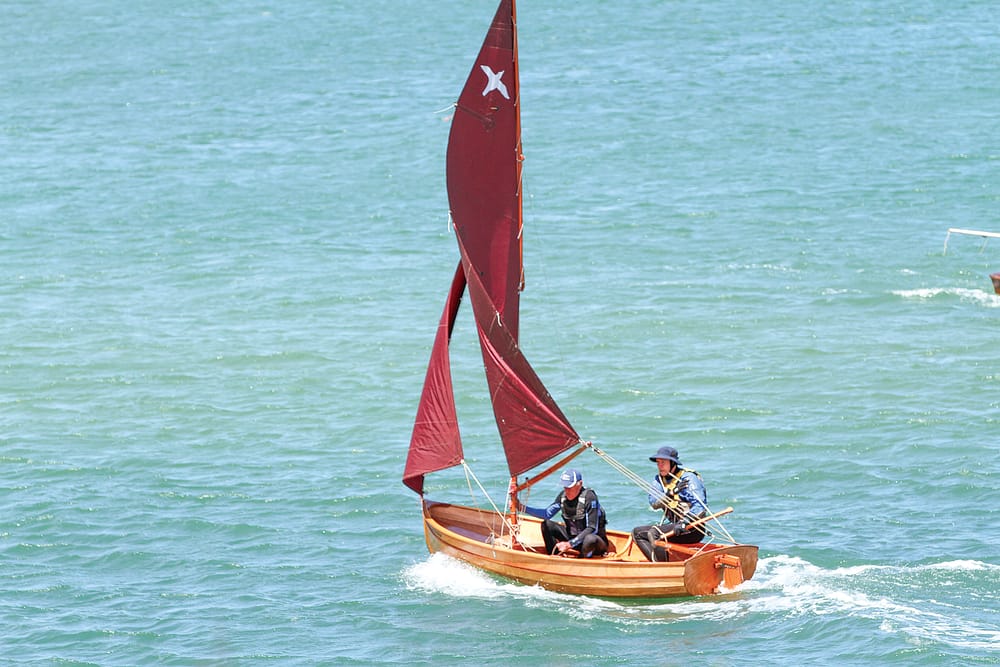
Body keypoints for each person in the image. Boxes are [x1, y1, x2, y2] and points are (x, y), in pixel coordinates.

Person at [630, 446, 708, 561]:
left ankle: (664, 567)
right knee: (637, 533)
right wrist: (670, 494)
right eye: (658, 463)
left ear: (673, 463)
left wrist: (685, 522)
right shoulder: (659, 480)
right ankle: (658, 564)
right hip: (674, 527)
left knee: (654, 533)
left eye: (663, 462)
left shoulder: (688, 478)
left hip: (692, 528)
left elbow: (701, 507)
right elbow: (654, 503)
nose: (660, 466)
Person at [515, 469, 608, 558]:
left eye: (570, 487)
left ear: (580, 484)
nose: (566, 490)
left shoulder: (589, 497)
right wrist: (521, 507)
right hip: (572, 539)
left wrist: (569, 544)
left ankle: (583, 561)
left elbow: (592, 528)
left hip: (593, 545)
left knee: (590, 539)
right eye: (565, 487)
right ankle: (554, 556)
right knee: (547, 524)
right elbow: (547, 514)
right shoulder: (563, 497)